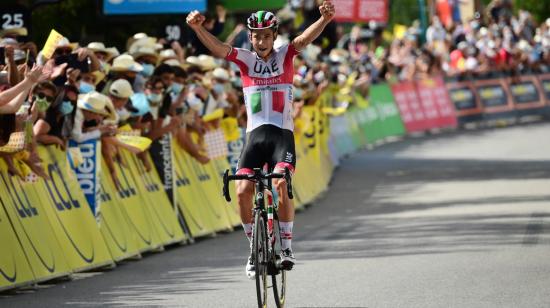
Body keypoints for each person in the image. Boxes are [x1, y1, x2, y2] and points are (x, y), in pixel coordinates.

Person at [186, 0, 335, 279]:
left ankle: (287, 248)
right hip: (254, 138)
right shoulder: (245, 59)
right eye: (257, 36)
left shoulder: (285, 55)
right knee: (242, 191)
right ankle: (254, 247)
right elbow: (219, 49)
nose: (262, 40)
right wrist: (198, 29)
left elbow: (304, 38)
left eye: (267, 35)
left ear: (274, 36)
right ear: (250, 37)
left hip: (281, 136)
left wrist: (324, 20)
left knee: (280, 183)